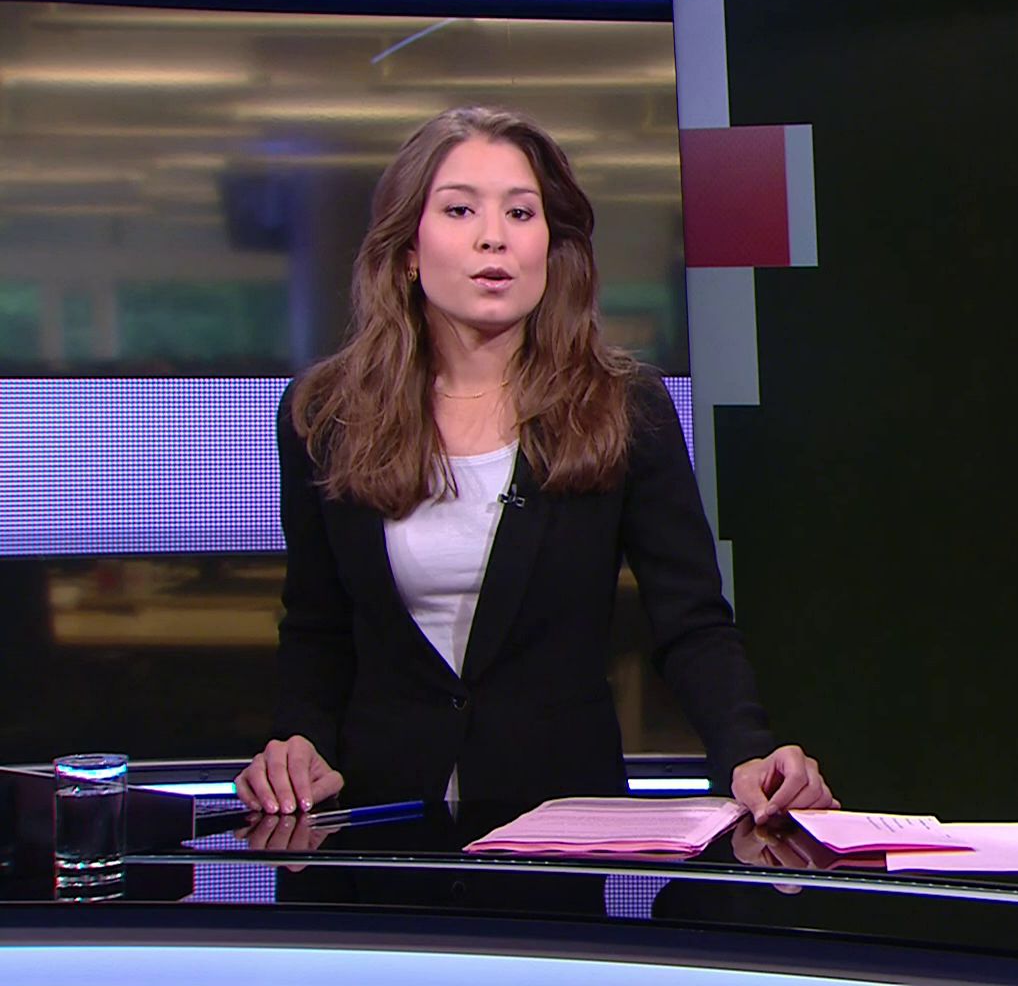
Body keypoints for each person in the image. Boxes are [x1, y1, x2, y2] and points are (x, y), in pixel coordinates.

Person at [234, 106, 833, 824]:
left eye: (521, 213)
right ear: (409, 248)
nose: (495, 236)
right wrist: (298, 741)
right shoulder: (327, 413)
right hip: (380, 823)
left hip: (560, 822)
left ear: (552, 247)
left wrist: (746, 752)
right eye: (460, 210)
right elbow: (318, 625)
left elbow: (690, 621)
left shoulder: (621, 408)